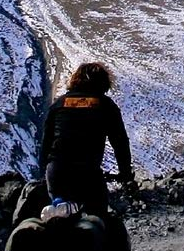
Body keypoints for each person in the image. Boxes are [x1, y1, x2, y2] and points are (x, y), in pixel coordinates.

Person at [40, 62, 134, 220]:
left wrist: (43, 171)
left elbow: (46, 143)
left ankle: (58, 207)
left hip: (56, 171)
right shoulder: (105, 105)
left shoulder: (59, 104)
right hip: (87, 173)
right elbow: (120, 142)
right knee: (99, 218)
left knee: (55, 216)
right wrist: (124, 173)